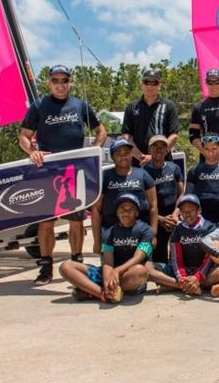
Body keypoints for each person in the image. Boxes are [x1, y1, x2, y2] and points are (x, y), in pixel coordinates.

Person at [18, 64, 107, 285]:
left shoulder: (80, 105)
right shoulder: (39, 105)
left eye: (64, 80)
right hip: (48, 171)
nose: (60, 84)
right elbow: (24, 136)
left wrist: (94, 150)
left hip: (74, 170)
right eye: (56, 80)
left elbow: (101, 130)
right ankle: (46, 267)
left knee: (76, 223)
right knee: (46, 223)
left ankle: (77, 263)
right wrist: (32, 152)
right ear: (49, 83)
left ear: (70, 82)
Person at [60, 194, 151, 303]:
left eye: (130, 209)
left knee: (140, 271)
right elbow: (108, 262)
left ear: (136, 213)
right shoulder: (109, 232)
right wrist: (108, 280)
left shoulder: (146, 230)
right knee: (66, 266)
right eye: (122, 208)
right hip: (109, 273)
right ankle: (103, 293)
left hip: (127, 275)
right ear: (117, 213)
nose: (126, 211)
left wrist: (118, 270)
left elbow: (139, 257)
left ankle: (91, 290)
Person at [146, 194, 219, 295]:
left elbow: (209, 258)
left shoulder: (209, 228)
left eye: (191, 210)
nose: (187, 214)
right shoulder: (178, 230)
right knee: (147, 267)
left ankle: (173, 286)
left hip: (203, 271)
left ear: (199, 210)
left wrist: (197, 277)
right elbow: (176, 258)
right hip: (181, 271)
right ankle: (185, 286)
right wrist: (182, 278)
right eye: (183, 211)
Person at [91, 138, 157, 255]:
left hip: (139, 232)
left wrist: (153, 234)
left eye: (126, 153)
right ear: (112, 157)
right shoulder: (104, 177)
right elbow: (96, 209)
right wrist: (97, 240)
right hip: (111, 233)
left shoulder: (143, 174)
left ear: (131, 154)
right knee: (110, 268)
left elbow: (153, 206)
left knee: (140, 269)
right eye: (118, 154)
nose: (123, 157)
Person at [121, 68, 179, 166]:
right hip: (138, 163)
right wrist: (141, 157)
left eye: (154, 83)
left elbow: (174, 136)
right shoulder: (131, 107)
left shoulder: (169, 106)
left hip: (163, 163)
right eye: (146, 82)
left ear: (160, 86)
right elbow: (126, 136)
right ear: (141, 85)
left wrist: (154, 157)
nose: (150, 86)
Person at [143, 135, 184, 263]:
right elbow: (144, 202)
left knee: (178, 254)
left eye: (162, 147)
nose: (159, 150)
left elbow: (182, 193)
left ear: (167, 150)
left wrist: (175, 215)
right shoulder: (143, 171)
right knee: (159, 257)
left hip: (174, 218)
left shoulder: (174, 168)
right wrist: (160, 219)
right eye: (155, 147)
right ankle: (162, 281)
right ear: (149, 150)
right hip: (156, 220)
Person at [185, 133, 219, 224]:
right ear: (202, 150)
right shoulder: (194, 171)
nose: (210, 152)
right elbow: (188, 198)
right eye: (207, 149)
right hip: (201, 223)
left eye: (214, 149)